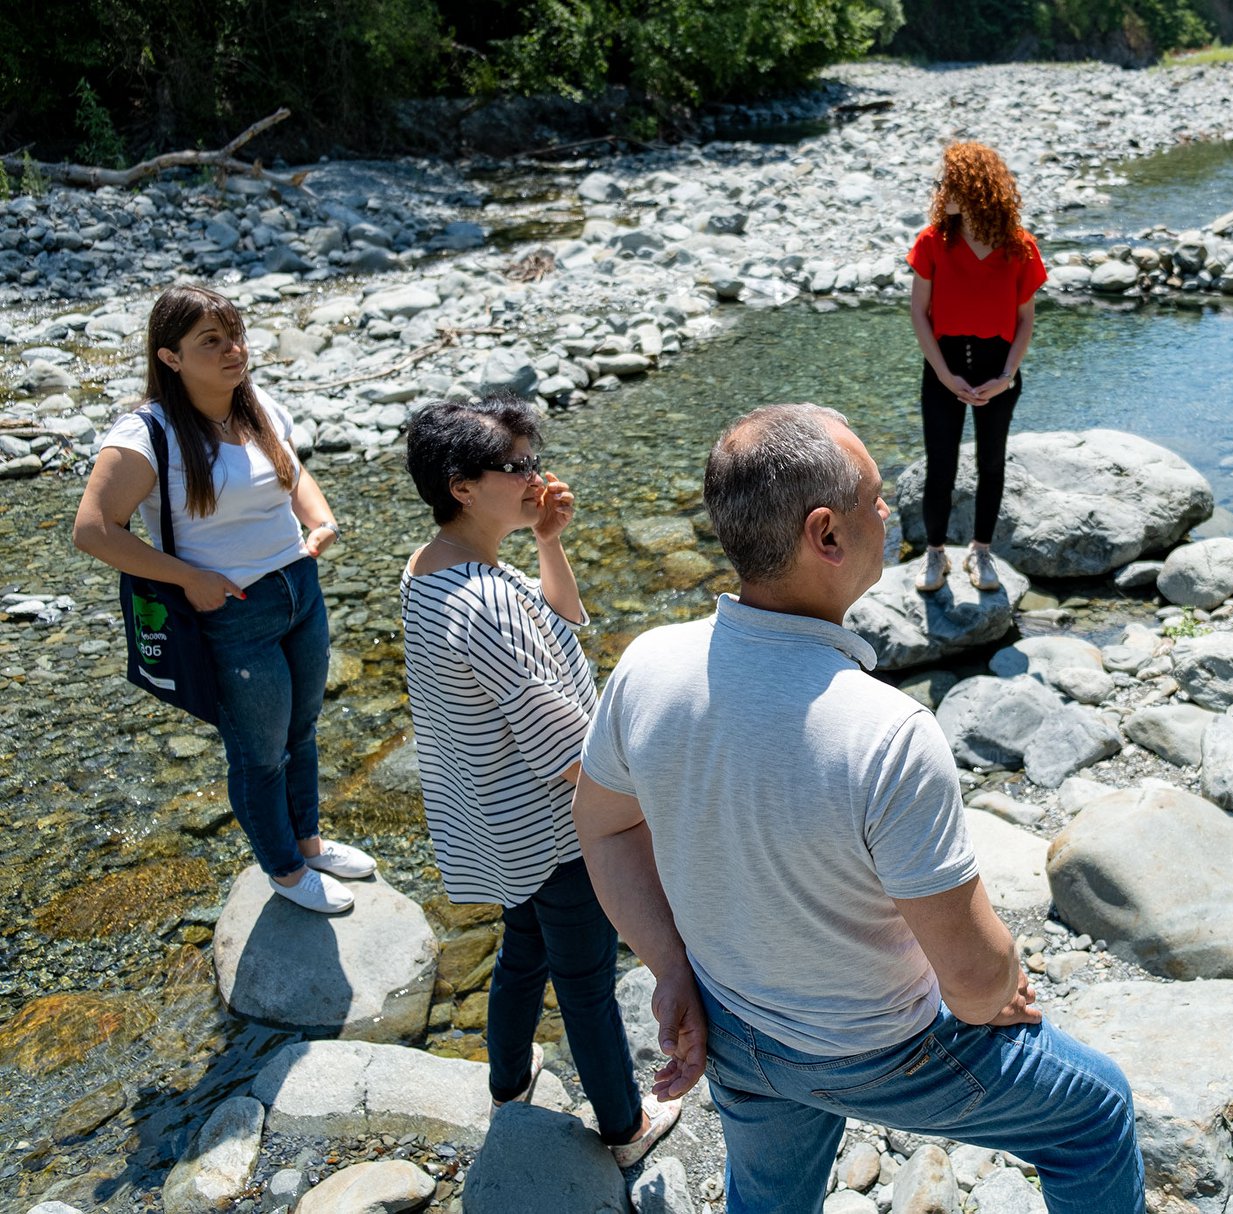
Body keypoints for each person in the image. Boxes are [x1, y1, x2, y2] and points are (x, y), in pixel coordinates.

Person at [570, 403, 1144, 1213]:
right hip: (881, 1053)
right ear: (826, 534)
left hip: (733, 1027)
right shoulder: (887, 731)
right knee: (1095, 1113)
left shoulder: (648, 666)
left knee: (767, 1202)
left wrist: (671, 967)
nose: (888, 509)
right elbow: (974, 983)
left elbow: (602, 825)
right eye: (874, 496)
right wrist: (1001, 982)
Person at [399, 398, 679, 1165]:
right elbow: (565, 748)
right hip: (558, 826)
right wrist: (645, 811)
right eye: (515, 466)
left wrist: (548, 543)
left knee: (523, 950)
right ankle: (625, 1129)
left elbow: (561, 618)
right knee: (586, 980)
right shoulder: (486, 600)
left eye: (533, 460)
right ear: (462, 486)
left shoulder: (431, 568)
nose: (536, 478)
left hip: (500, 820)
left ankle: (507, 1083)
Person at [74, 285, 373, 914]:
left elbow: (293, 473)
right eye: (211, 341)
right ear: (171, 357)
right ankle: (285, 871)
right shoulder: (146, 434)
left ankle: (309, 842)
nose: (233, 349)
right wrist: (188, 577)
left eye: (234, 334)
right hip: (231, 613)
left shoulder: (256, 404)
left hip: (300, 590)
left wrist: (321, 520)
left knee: (302, 730)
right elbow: (94, 531)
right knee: (259, 753)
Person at [908, 141, 1046, 595]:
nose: (940, 190)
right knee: (940, 464)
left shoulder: (1019, 246)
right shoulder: (932, 242)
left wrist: (1005, 377)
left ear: (973, 187)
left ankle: (980, 551)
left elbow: (1025, 321)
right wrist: (944, 375)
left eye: (948, 182)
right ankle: (935, 553)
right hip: (943, 366)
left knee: (991, 463)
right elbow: (918, 314)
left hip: (998, 369)